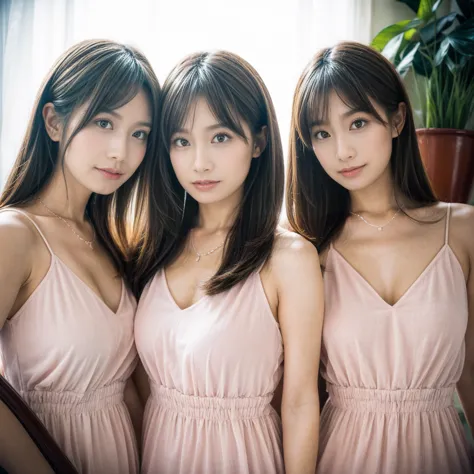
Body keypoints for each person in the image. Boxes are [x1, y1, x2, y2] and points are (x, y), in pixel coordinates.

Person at [131, 50, 324, 474]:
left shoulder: (288, 259)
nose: (199, 161)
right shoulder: (152, 247)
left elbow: (299, 403)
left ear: (257, 141)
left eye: (220, 137)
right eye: (182, 141)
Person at [286, 41, 474, 474]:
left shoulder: (461, 231)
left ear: (396, 119)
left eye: (357, 123)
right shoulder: (307, 252)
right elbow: (297, 396)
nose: (342, 151)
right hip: (341, 454)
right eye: (322, 133)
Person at [0, 39, 161, 474]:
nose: (120, 152)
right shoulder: (14, 235)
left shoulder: (112, 240)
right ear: (53, 121)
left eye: (139, 134)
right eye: (104, 122)